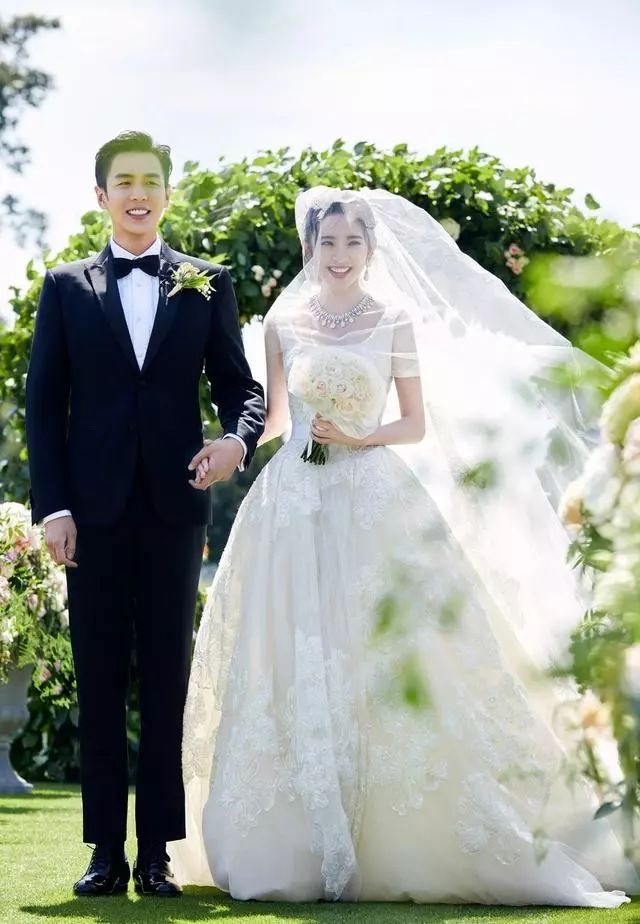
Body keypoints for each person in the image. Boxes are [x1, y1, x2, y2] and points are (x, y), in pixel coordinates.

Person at [171, 186, 639, 906]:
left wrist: (359, 437)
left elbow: (413, 423)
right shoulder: (284, 323)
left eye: (352, 242)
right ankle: (295, 835)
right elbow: (278, 417)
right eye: (328, 243)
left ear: (370, 249)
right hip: (292, 504)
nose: (339, 255)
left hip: (372, 496)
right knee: (290, 651)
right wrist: (232, 444)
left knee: (386, 647)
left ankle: (403, 834)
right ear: (311, 248)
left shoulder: (392, 320)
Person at [24, 131, 265, 898]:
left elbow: (242, 388)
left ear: (166, 193)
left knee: (167, 680)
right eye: (123, 181)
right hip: (89, 515)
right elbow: (43, 406)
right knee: (99, 679)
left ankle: (158, 852)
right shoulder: (64, 287)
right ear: (101, 196)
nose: (138, 193)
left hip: (173, 508)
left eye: (150, 181)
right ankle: (104, 852)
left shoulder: (208, 283)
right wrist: (54, 507)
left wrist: (235, 441)